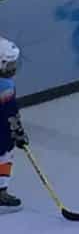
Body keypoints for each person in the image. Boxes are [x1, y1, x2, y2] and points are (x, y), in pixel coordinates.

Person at [0, 38, 26, 212]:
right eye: (9, 65)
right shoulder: (5, 85)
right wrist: (17, 131)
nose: (13, 69)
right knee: (5, 154)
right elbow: (10, 112)